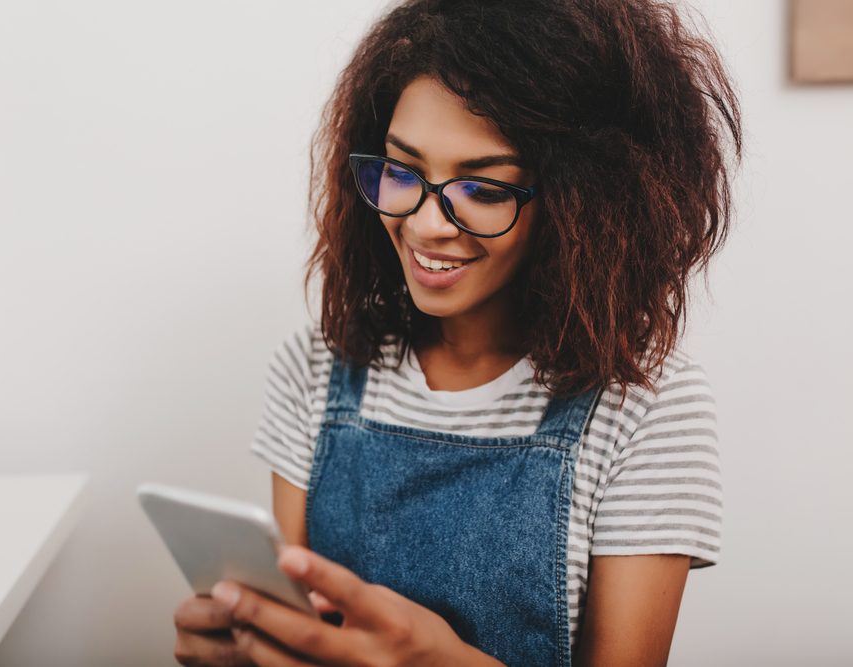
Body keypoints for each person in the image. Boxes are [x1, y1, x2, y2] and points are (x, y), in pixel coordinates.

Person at [174, 0, 741, 664]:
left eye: (483, 188)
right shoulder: (317, 368)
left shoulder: (646, 405)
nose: (424, 224)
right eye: (402, 169)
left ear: (586, 205)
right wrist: (244, 642)